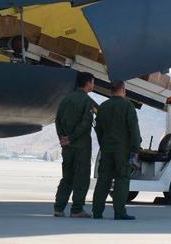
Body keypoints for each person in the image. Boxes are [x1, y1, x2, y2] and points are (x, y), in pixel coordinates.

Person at [92, 80, 142, 220]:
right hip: (123, 150)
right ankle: (119, 212)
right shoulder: (128, 106)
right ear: (123, 90)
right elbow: (134, 129)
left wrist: (104, 144)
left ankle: (97, 212)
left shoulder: (103, 106)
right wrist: (136, 148)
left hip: (106, 149)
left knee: (103, 180)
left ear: (110, 91)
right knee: (122, 179)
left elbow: (98, 129)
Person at [53, 72, 96, 218]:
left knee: (67, 178)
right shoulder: (87, 101)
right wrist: (71, 138)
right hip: (81, 147)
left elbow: (57, 120)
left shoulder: (65, 99)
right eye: (92, 82)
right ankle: (77, 209)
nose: (93, 85)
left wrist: (62, 138)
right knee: (81, 178)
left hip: (67, 147)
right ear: (87, 83)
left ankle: (58, 208)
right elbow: (86, 124)